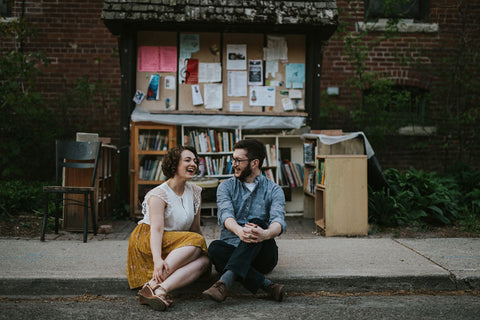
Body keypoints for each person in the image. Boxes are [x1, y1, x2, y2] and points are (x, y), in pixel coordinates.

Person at [127, 145, 210, 311]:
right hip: (149, 241)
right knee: (196, 241)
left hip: (176, 244)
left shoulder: (195, 192)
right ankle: (152, 283)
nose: (193, 163)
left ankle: (160, 291)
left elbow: (195, 228)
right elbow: (156, 230)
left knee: (205, 261)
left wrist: (203, 251)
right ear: (174, 164)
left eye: (195, 160)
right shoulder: (158, 194)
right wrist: (157, 259)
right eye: (187, 160)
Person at [202, 139, 287, 302]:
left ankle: (224, 282)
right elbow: (226, 216)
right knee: (214, 249)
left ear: (254, 163)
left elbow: (278, 221)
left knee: (257, 223)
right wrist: (239, 231)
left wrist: (266, 233)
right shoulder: (225, 187)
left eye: (238, 160)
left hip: (262, 254)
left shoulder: (274, 190)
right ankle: (268, 286)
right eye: (233, 159)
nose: (233, 164)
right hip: (229, 250)